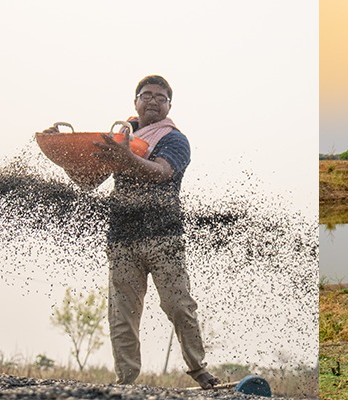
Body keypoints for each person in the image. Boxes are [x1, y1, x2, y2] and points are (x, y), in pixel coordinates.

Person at [90, 75, 219, 389]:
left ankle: (199, 371)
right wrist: (61, 152)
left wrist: (127, 158)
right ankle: (125, 379)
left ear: (169, 106)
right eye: (146, 95)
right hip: (122, 238)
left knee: (179, 305)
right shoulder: (119, 137)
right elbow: (88, 180)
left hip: (164, 238)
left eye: (160, 97)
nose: (152, 100)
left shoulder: (175, 140)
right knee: (122, 311)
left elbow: (161, 172)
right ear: (135, 102)